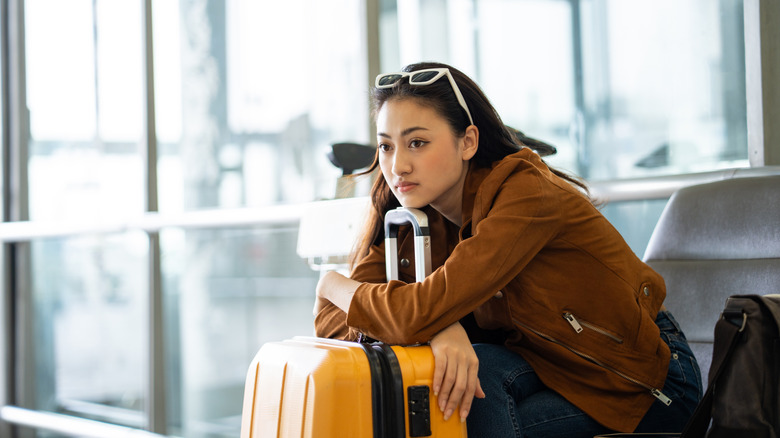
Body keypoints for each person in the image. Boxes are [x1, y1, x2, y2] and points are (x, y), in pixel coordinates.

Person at [313, 61, 702, 437]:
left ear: (467, 142)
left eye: (417, 143)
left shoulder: (523, 194)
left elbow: (392, 310)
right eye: (386, 147)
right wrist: (438, 328)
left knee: (457, 407)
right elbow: (334, 329)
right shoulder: (413, 217)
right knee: (453, 382)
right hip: (547, 366)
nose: (398, 166)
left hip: (644, 382)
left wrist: (331, 285)